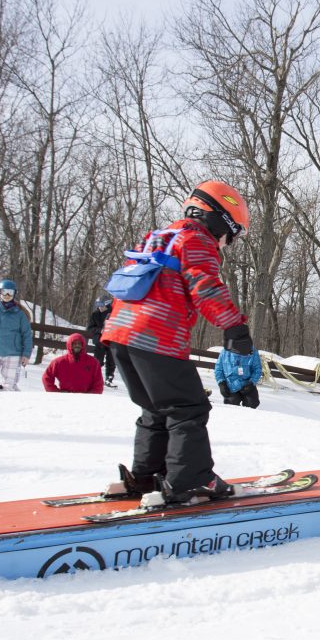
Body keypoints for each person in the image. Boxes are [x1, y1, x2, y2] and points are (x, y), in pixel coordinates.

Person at [102, 180, 255, 502]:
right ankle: (190, 480)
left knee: (156, 408)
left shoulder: (158, 238)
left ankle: (148, 477)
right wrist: (235, 328)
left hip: (120, 334)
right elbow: (206, 287)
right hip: (156, 336)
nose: (230, 243)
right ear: (221, 219)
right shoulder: (196, 240)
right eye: (234, 233)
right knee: (189, 408)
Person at [214, 335, 262, 409]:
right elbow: (218, 369)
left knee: (252, 403)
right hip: (230, 384)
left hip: (247, 383)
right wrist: (221, 383)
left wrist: (252, 383)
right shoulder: (225, 352)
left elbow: (257, 369)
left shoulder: (253, 352)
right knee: (231, 404)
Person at [86, 295, 117, 387]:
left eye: (101, 305)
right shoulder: (95, 314)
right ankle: (94, 377)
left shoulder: (114, 313)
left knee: (111, 360)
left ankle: (109, 378)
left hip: (111, 340)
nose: (100, 307)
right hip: (99, 341)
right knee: (98, 360)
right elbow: (90, 328)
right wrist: (100, 330)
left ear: (107, 305)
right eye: (98, 305)